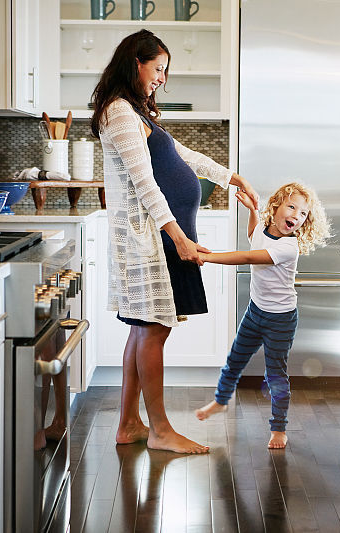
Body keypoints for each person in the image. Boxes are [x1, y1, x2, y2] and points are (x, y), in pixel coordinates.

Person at [90, 29, 259, 454]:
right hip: (153, 240)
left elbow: (182, 155)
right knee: (153, 330)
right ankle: (161, 430)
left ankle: (129, 424)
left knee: (143, 330)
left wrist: (231, 177)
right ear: (136, 63)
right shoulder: (120, 113)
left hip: (160, 237)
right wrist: (179, 237)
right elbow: (144, 184)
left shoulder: (134, 112)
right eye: (158, 68)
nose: (163, 78)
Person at [195, 182, 330, 449]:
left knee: (275, 375)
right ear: (276, 206)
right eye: (291, 207)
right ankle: (220, 401)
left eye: (303, 213)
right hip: (255, 311)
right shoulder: (265, 229)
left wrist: (208, 257)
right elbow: (253, 236)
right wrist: (252, 211)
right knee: (234, 361)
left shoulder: (289, 247)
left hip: (280, 319)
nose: (296, 215)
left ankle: (278, 428)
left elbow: (247, 257)